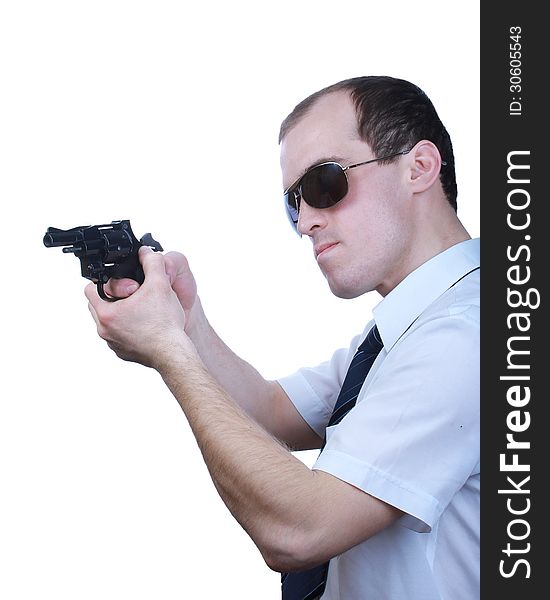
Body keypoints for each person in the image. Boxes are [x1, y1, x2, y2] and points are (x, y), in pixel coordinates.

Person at [85, 76, 480, 599]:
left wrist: (169, 351)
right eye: (294, 203)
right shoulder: (412, 326)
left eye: (324, 185)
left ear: (419, 167)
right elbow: (273, 411)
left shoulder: (462, 336)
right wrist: (185, 318)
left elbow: (300, 530)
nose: (306, 223)